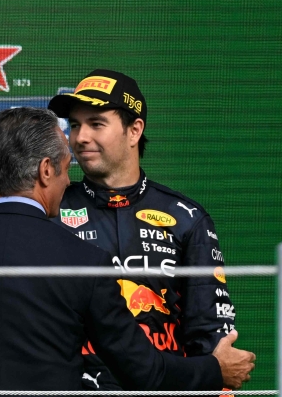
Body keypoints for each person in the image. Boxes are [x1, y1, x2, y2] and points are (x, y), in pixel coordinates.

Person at [0, 107, 254, 390]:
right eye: (64, 168)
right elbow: (141, 371)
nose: (67, 179)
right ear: (46, 171)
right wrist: (214, 369)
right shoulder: (84, 262)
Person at [48, 70, 234, 390]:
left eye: (96, 123)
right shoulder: (51, 210)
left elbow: (211, 339)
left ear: (134, 131)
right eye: (75, 125)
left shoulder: (187, 217)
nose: (79, 138)